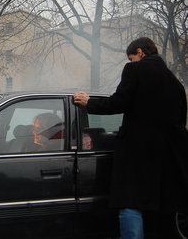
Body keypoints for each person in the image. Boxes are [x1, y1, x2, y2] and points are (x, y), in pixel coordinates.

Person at [73, 37, 188, 238]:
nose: (131, 61)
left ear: (141, 52)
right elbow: (180, 121)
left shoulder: (134, 70)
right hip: (167, 156)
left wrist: (89, 103)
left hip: (137, 151)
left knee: (129, 200)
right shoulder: (175, 83)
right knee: (160, 205)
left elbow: (119, 102)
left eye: (131, 57)